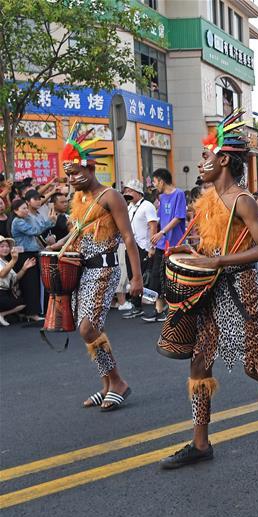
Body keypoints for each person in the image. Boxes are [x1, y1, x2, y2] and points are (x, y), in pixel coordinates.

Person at [159, 110, 258, 469]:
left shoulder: (242, 199)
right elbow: (216, 246)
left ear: (224, 160)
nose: (201, 162)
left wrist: (216, 262)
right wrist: (195, 253)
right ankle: (201, 443)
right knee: (199, 361)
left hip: (240, 292)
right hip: (211, 291)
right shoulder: (210, 199)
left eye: (206, 156)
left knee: (253, 365)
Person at [53, 123, 144, 410]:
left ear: (91, 169)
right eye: (68, 175)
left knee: (87, 328)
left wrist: (136, 278)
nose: (71, 180)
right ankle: (106, 384)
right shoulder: (81, 198)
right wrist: (61, 244)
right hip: (83, 270)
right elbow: (80, 230)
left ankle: (117, 381)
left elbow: (128, 238)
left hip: (104, 269)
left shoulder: (111, 197)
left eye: (75, 173)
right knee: (91, 330)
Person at [142, 168, 187, 322]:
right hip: (162, 244)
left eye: (155, 181)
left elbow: (178, 217)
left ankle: (175, 310)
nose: (155, 185)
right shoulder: (160, 197)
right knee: (157, 276)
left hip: (175, 243)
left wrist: (162, 232)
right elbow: (160, 217)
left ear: (161, 180)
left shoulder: (179, 194)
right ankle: (159, 310)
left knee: (174, 278)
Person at [10, 196, 52, 322]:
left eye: (26, 208)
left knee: (34, 284)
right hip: (25, 255)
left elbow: (38, 225)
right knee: (30, 285)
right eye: (23, 209)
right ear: (15, 211)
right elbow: (35, 230)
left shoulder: (26, 218)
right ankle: (32, 313)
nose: (26, 211)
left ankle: (33, 311)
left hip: (31, 253)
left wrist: (46, 221)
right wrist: (49, 221)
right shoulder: (18, 221)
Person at [122, 180, 158, 319]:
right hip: (130, 245)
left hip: (143, 246)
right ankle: (136, 306)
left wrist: (151, 247)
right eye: (126, 191)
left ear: (138, 192)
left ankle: (146, 304)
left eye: (130, 191)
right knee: (132, 275)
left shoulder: (147, 206)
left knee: (142, 275)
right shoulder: (129, 207)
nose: (127, 194)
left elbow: (153, 226)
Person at [0, 236, 33, 325]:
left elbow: (15, 278)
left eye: (7, 246)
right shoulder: (9, 262)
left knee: (24, 303)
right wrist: (14, 260)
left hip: (6, 293)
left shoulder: (6, 262)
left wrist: (24, 268)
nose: (5, 248)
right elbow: (2, 274)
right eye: (2, 246)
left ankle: (2, 314)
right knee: (21, 304)